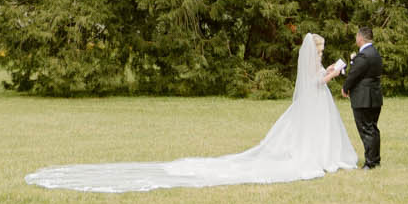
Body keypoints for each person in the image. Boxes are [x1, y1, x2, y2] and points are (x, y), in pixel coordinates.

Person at [25, 33, 360, 192]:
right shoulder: (312, 64)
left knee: (310, 134)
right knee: (305, 140)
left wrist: (329, 70)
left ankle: (319, 155)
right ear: (314, 50)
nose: (322, 52)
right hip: (315, 101)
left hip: (315, 105)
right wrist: (333, 72)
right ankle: (316, 158)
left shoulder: (312, 62)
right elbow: (316, 80)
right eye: (321, 49)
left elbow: (315, 77)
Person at [333, 25, 382, 169]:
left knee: (366, 130)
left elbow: (354, 74)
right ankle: (375, 159)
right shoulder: (375, 53)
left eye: (356, 36)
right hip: (375, 95)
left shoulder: (364, 55)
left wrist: (345, 87)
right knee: (373, 128)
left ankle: (370, 162)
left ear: (360, 38)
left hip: (363, 98)